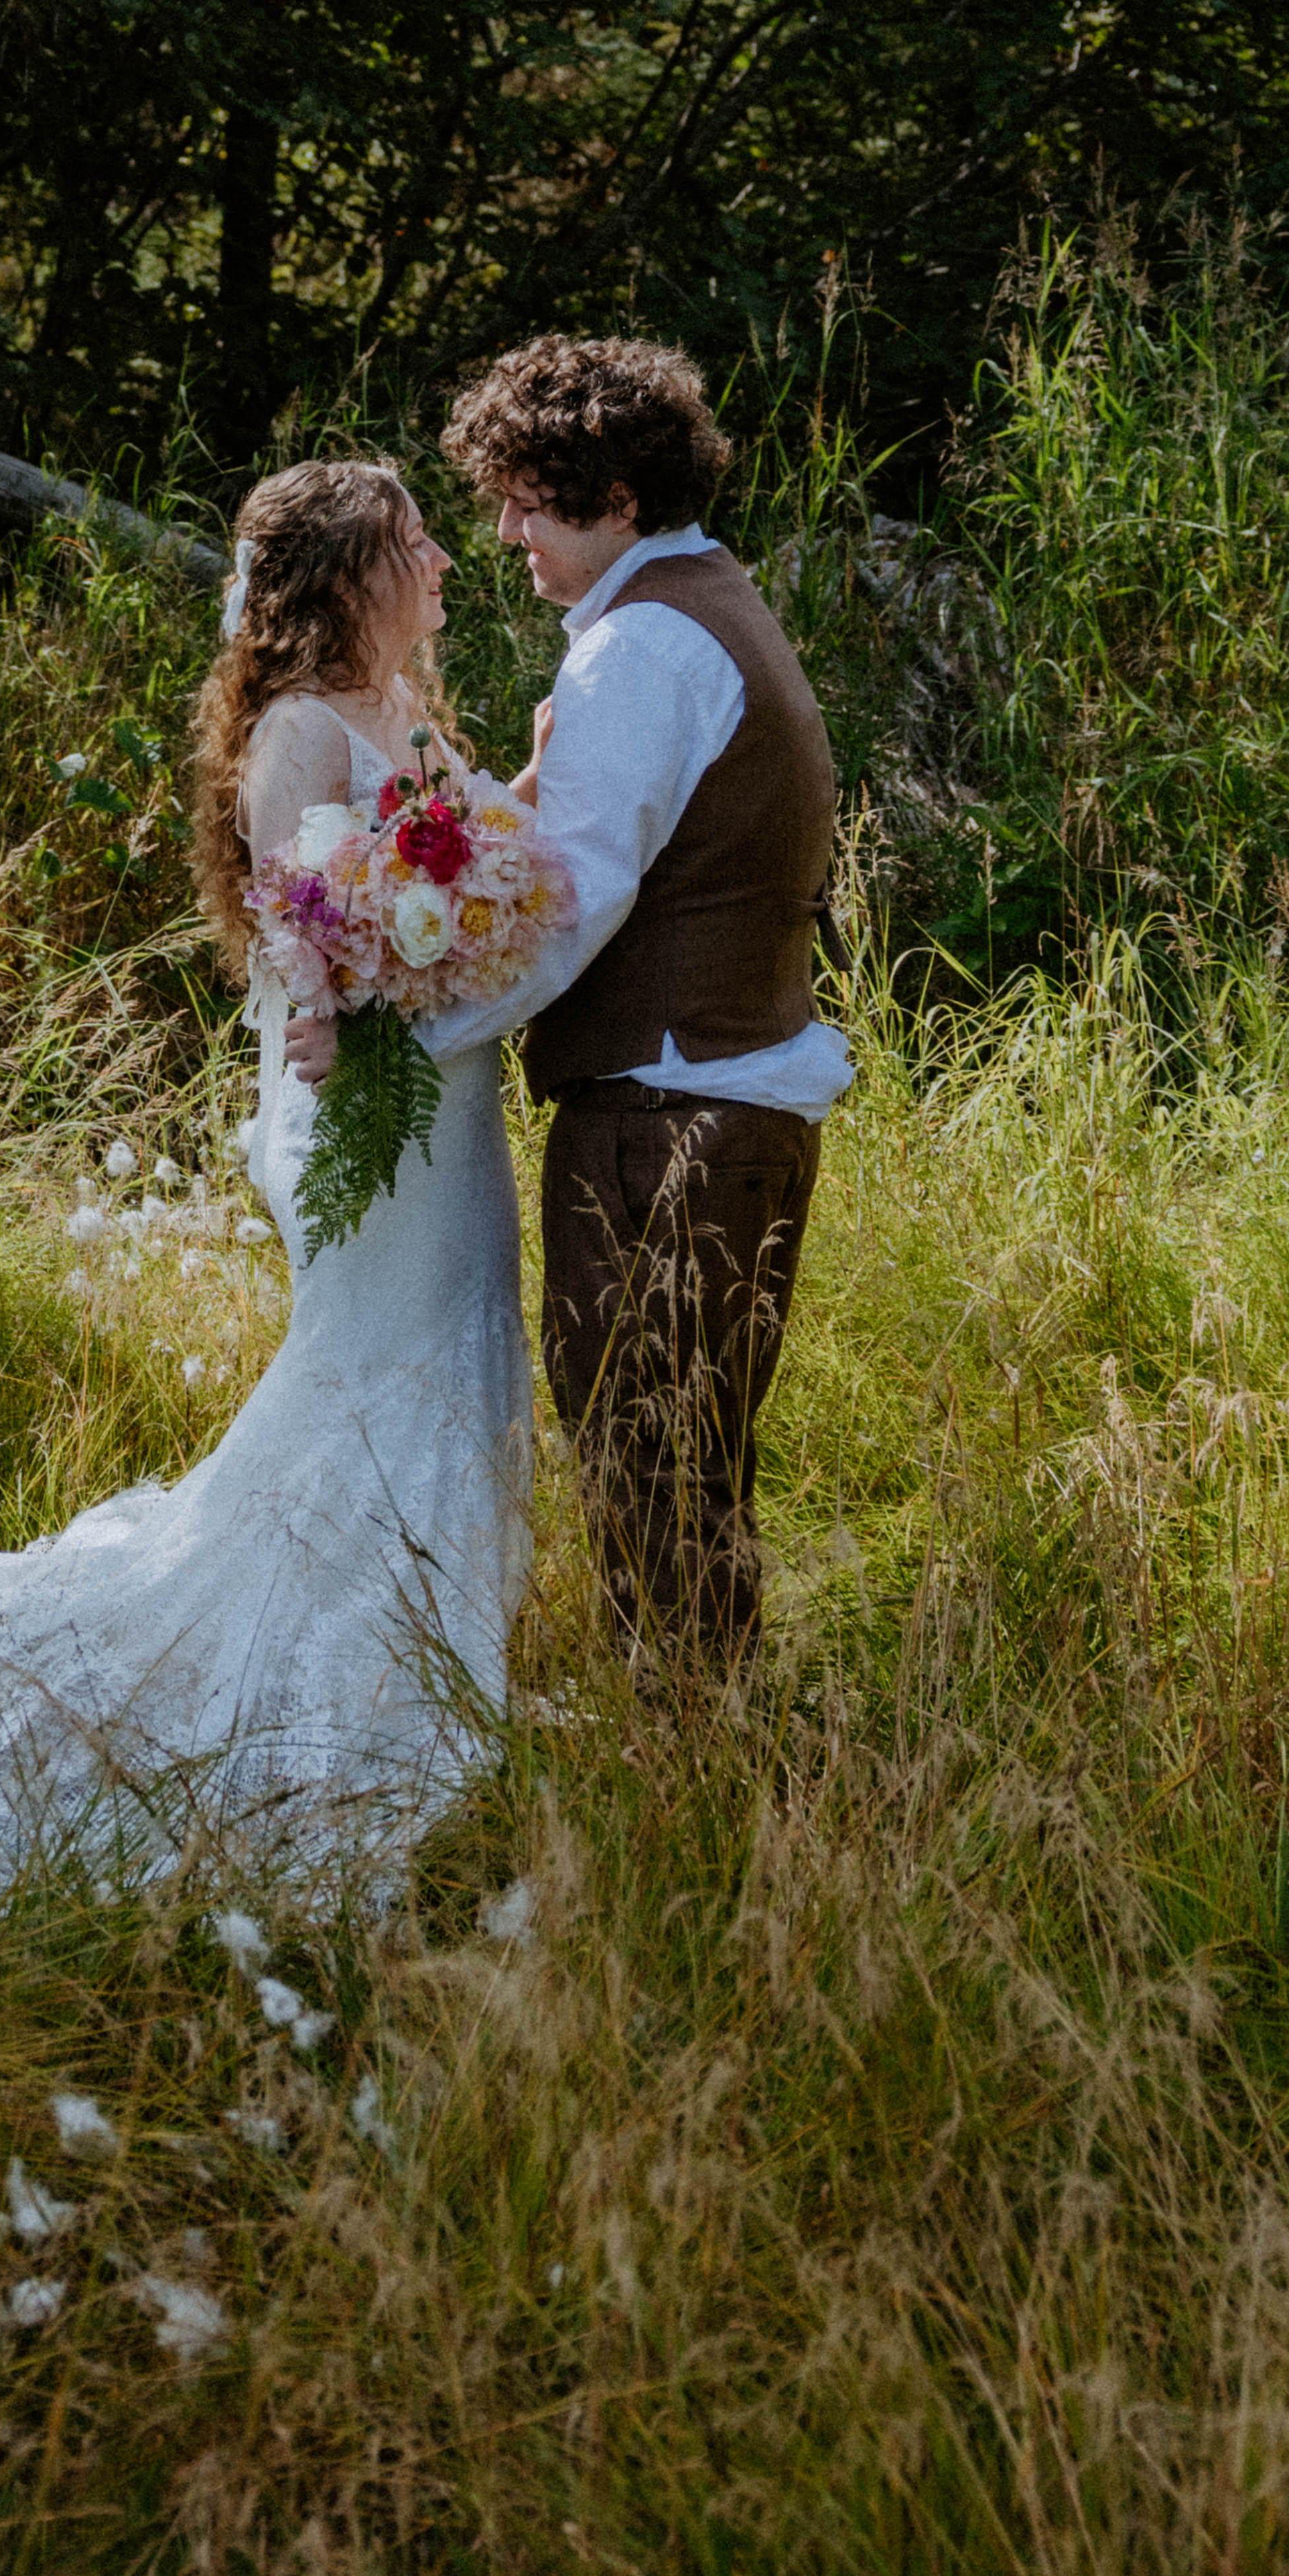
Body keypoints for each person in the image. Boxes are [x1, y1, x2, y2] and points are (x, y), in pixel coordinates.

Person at [0, 455, 532, 1893]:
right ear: (346, 575)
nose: (445, 558)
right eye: (414, 538)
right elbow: (301, 944)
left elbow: (476, 874)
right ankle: (308, 1667)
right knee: (376, 1370)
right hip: (366, 1114)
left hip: (445, 1112)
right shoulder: (299, 734)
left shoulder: (404, 713)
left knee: (462, 1355)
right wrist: (376, 966)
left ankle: (427, 1654)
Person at [292, 333, 845, 1676]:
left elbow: (561, 914)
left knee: (647, 1454)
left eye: (527, 497)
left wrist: (391, 1029)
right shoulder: (701, 604)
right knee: (682, 1455)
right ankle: (709, 1751)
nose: (502, 530)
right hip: (723, 1095)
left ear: (613, 493)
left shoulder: (642, 651)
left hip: (669, 1114)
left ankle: (695, 1765)